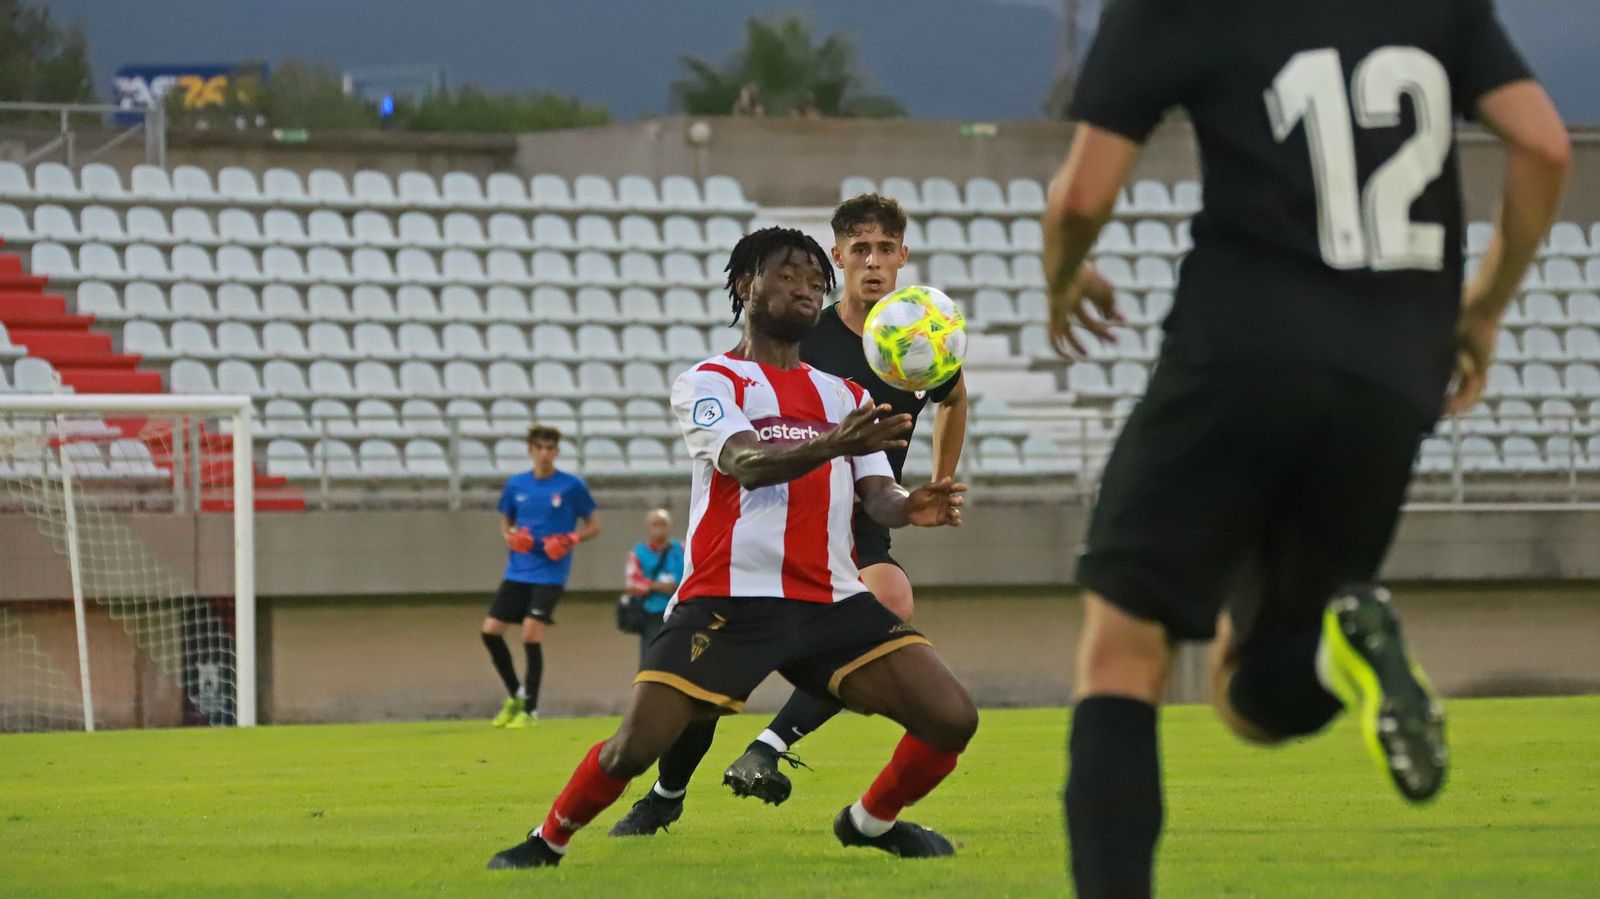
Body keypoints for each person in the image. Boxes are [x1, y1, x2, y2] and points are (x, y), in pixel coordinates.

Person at [1042, 1, 1570, 896]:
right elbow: (1546, 145)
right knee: (1257, 691)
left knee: (1123, 653)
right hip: (1395, 376)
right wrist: (1481, 307)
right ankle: (1341, 651)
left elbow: (1083, 195)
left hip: (1238, 351)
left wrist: (1063, 275)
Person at [486, 227, 978, 869]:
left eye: (814, 281)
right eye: (788, 275)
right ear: (747, 285)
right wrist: (832, 444)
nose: (806, 288)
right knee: (632, 750)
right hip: (727, 602)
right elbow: (746, 462)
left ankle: (869, 823)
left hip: (832, 601)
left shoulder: (846, 395)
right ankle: (545, 842)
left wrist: (912, 507)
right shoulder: (709, 381)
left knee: (952, 717)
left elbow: (876, 497)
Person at [610, 193, 969, 836]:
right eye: (860, 249)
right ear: (839, 257)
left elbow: (952, 395)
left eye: (886, 249)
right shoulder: (808, 334)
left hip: (856, 516)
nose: (874, 262)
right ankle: (668, 789)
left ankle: (768, 751)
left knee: (893, 604)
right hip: (770, 520)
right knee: (706, 699)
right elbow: (752, 429)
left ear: (903, 258)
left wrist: (935, 482)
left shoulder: (917, 338)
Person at [482, 424, 601, 729]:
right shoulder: (516, 484)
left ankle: (530, 710)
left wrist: (569, 540)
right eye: (540, 448)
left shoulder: (571, 486)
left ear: (557, 452)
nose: (545, 454)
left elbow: (593, 525)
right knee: (491, 631)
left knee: (530, 634)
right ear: (531, 450)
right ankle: (517, 694)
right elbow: (505, 521)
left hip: (550, 573)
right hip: (518, 569)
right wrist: (510, 537)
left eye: (551, 448)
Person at [623, 509, 685, 661]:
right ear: (648, 527)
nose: (659, 528)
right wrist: (656, 586)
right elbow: (631, 582)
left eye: (662, 524)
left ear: (669, 527)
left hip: (681, 611)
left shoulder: (682, 549)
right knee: (651, 655)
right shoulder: (638, 552)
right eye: (655, 524)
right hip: (652, 612)